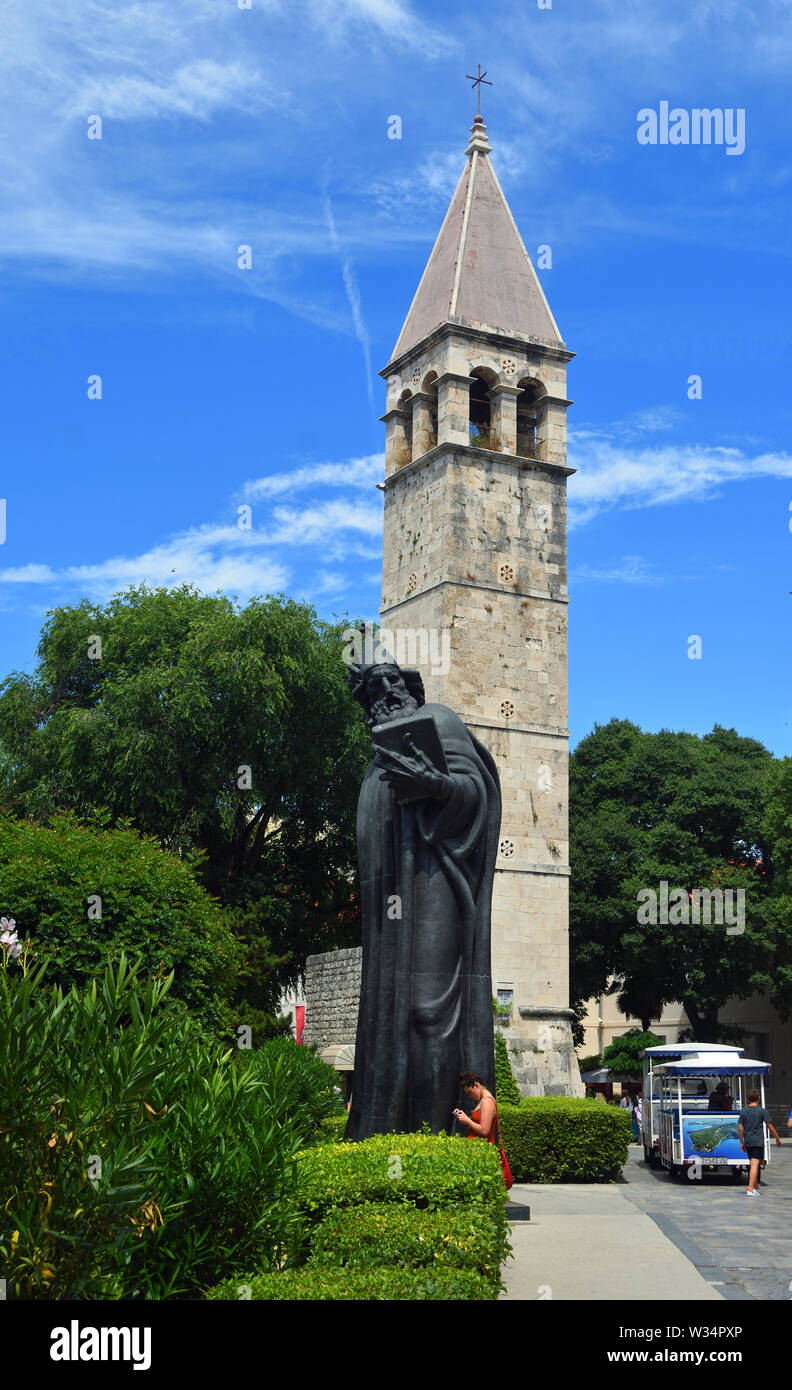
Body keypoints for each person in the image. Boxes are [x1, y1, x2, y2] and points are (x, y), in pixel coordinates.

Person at [738, 1088, 781, 1195]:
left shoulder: (743, 1111)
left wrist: (741, 1142)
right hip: (757, 1141)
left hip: (748, 1141)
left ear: (748, 1099)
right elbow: (770, 1127)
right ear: (759, 1098)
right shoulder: (762, 1111)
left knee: (752, 1164)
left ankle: (755, 1187)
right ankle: (750, 1188)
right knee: (754, 1165)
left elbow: (740, 1128)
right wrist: (777, 1138)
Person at [453, 1071, 497, 1142]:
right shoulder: (483, 1100)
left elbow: (484, 1131)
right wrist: (464, 1117)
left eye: (470, 1092)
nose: (470, 1096)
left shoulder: (487, 1101)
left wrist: (467, 1121)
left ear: (476, 1085)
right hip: (477, 1146)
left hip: (481, 1148)